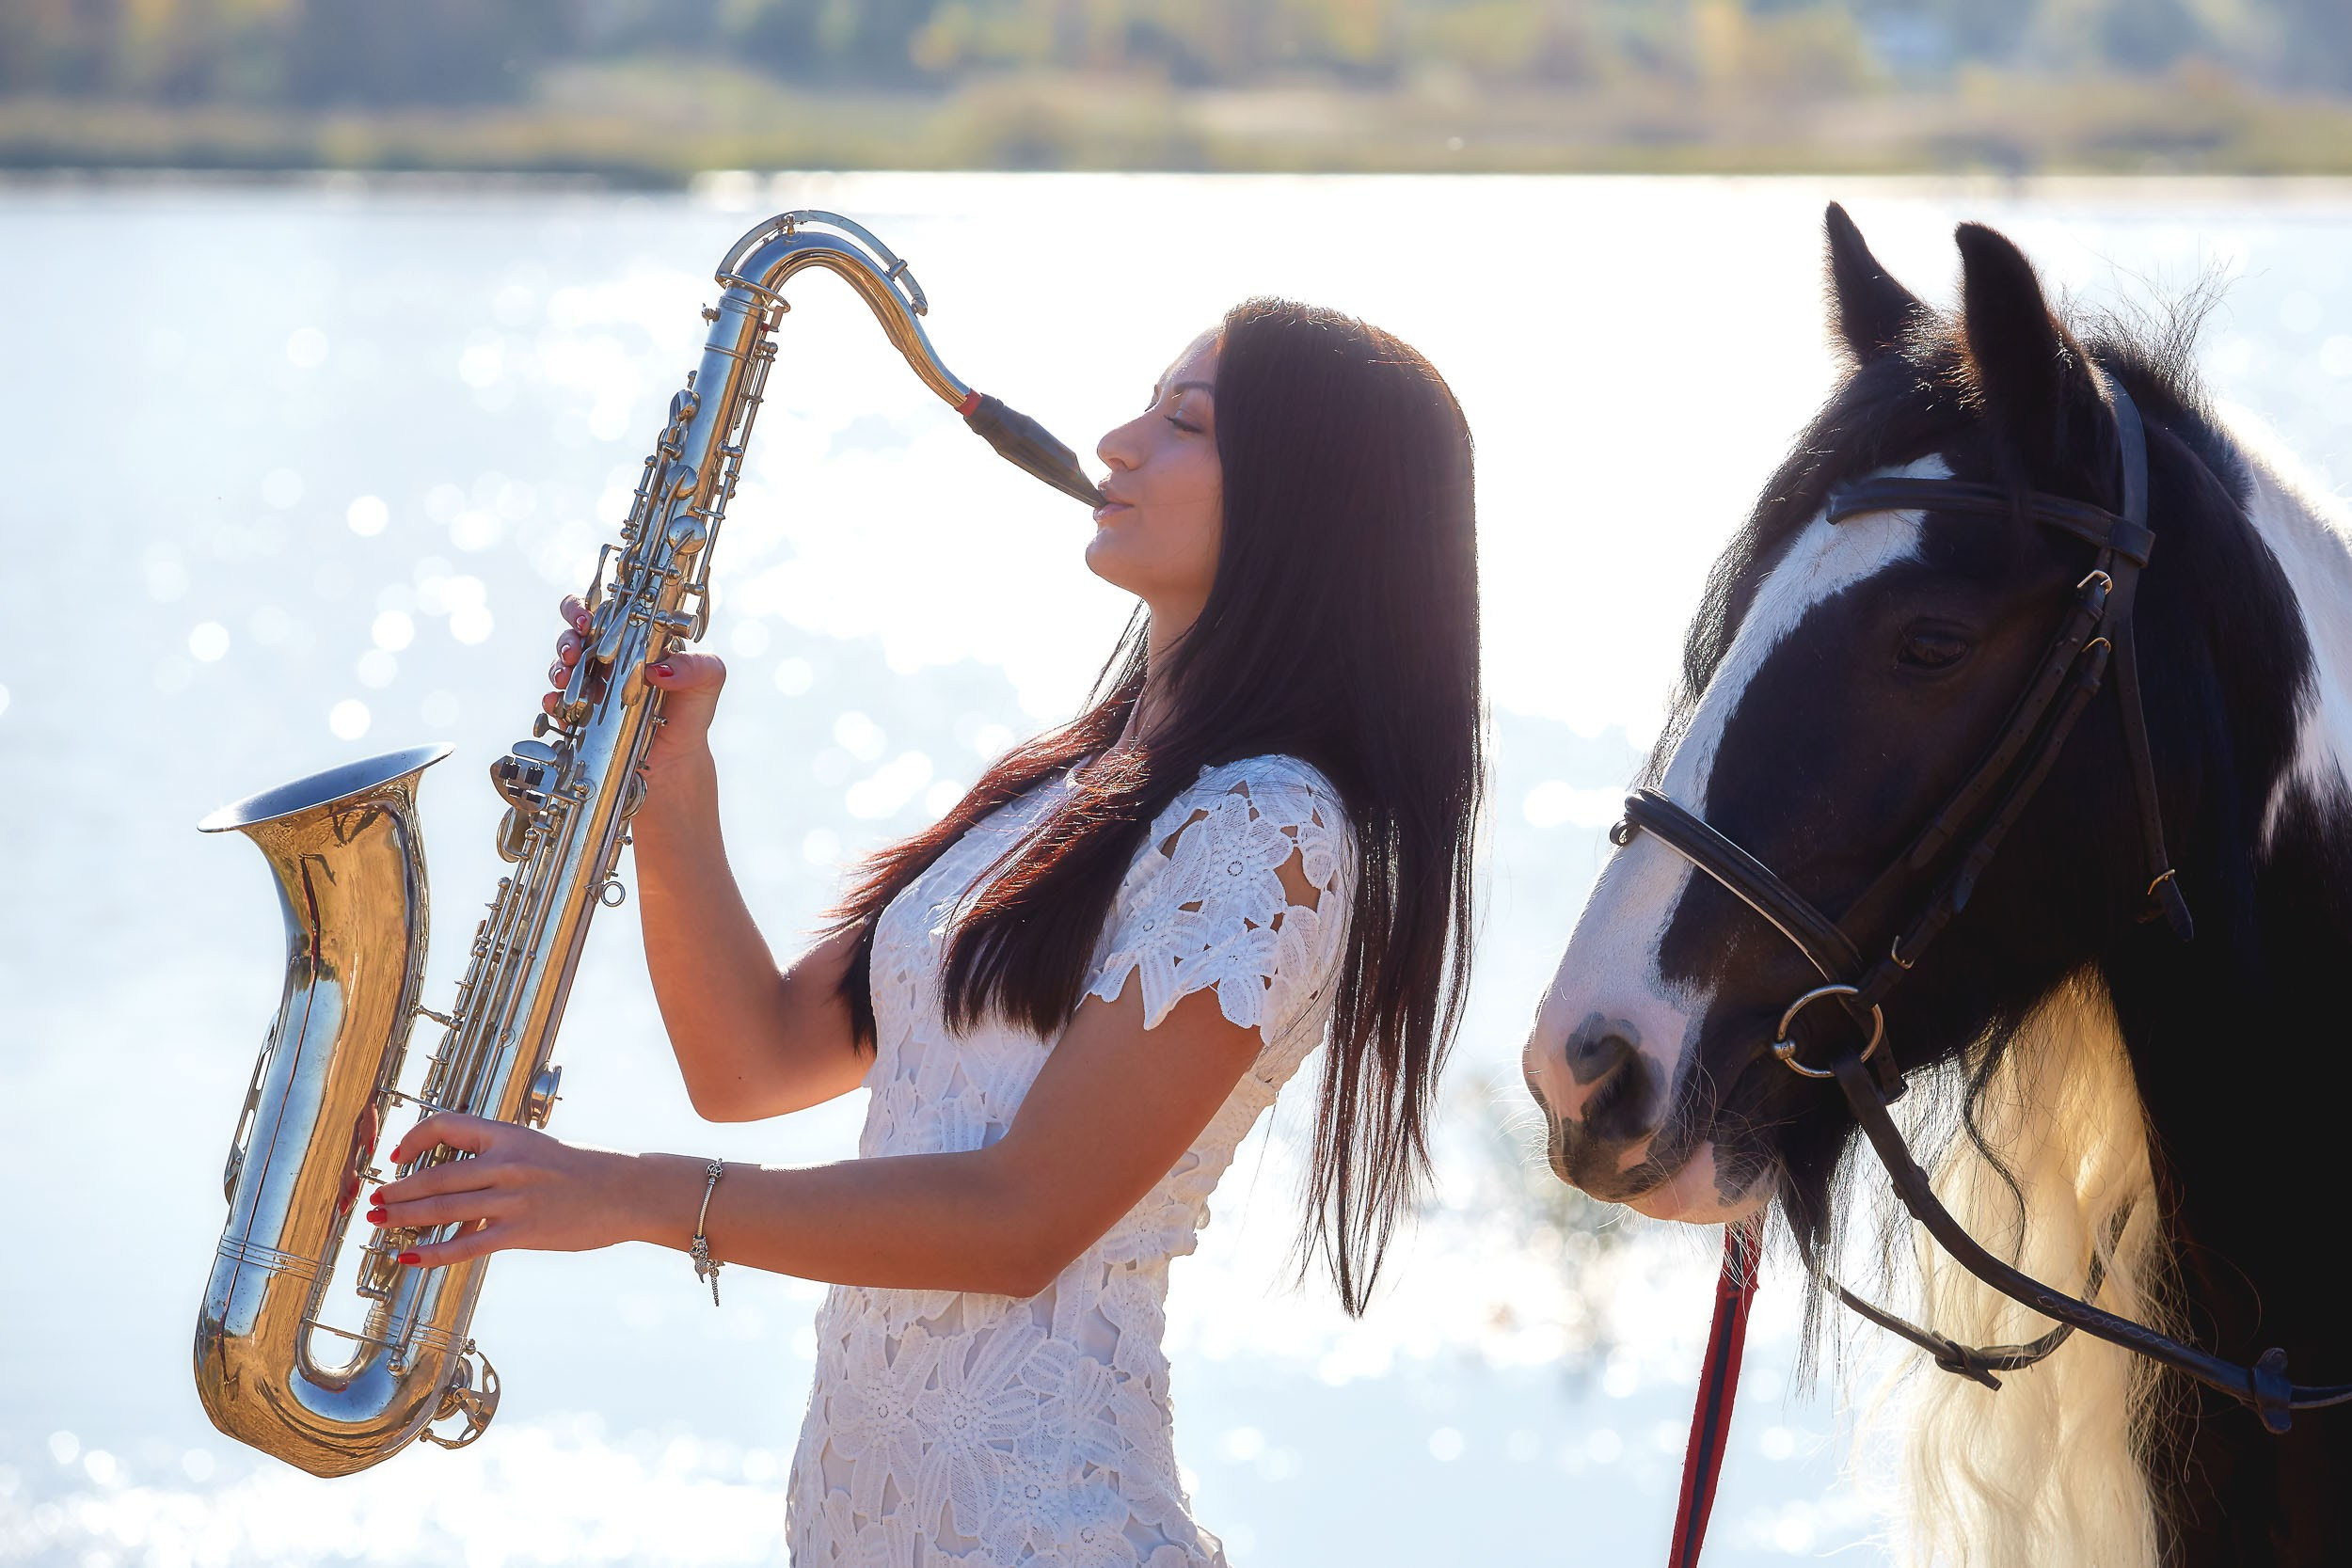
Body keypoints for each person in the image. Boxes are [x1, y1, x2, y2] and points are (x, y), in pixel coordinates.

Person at [372, 296, 1484, 1566]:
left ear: (1312, 506)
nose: (1116, 443)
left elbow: (1019, 1224)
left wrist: (627, 1195)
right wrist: (666, 780)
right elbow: (754, 1060)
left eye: (1184, 426)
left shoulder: (1265, 832)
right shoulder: (1070, 783)